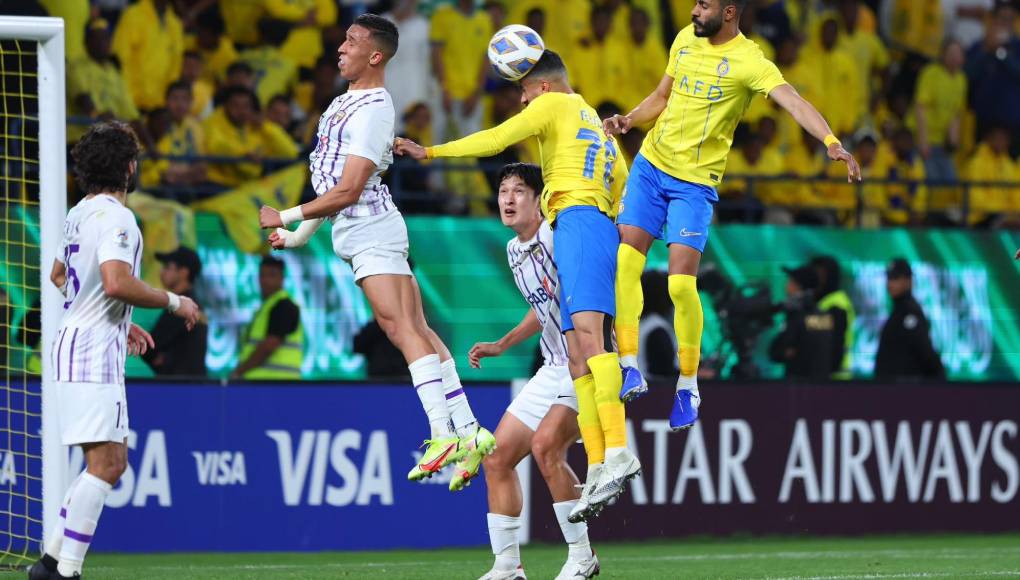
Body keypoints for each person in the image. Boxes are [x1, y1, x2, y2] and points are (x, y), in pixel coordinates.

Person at [395, 50, 641, 524]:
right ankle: (600, 461)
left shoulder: (555, 104)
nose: (524, 101)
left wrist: (432, 152)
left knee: (588, 343)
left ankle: (615, 452)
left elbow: (497, 138)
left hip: (579, 219)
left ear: (543, 87)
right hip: (590, 223)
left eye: (525, 92)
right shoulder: (594, 125)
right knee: (577, 354)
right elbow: (623, 185)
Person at [257, 15, 495, 488]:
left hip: (371, 230)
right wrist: (299, 237)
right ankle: (470, 431)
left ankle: (440, 433)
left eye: (352, 41)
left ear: (376, 55)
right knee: (418, 329)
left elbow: (346, 192)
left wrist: (283, 217)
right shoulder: (348, 101)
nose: (340, 47)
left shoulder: (373, 109)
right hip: (369, 227)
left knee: (400, 328)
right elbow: (331, 185)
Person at [602, 0, 861, 430]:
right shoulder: (685, 39)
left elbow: (792, 101)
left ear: (728, 12)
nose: (693, 10)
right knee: (627, 260)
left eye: (703, 4)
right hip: (650, 168)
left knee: (682, 285)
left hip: (694, 184)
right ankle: (629, 363)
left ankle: (688, 385)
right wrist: (630, 120)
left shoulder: (749, 61)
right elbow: (663, 96)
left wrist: (830, 141)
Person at [28, 122, 200, 580]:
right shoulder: (118, 217)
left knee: (104, 463)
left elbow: (60, 276)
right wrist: (174, 300)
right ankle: (65, 572)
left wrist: (117, 323)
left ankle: (51, 566)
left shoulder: (79, 212)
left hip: (77, 341)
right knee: (108, 463)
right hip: (90, 350)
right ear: (128, 166)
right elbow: (116, 282)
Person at [469, 164, 598, 580]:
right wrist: (502, 343)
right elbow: (542, 307)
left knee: (546, 448)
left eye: (519, 191)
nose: (508, 198)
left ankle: (582, 557)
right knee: (497, 458)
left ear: (540, 199)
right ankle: (508, 567)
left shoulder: (557, 237)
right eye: (503, 190)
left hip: (589, 365)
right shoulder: (513, 250)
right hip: (552, 366)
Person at [229, 256, 302, 380]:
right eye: (262, 275)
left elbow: (269, 346)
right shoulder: (264, 308)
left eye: (271, 275)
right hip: (264, 384)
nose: (265, 280)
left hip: (276, 385)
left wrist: (239, 371)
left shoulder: (284, 306)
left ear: (282, 278)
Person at [874, 259, 945, 380]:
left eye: (895, 278)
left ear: (909, 281)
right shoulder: (899, 310)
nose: (889, 284)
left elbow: (924, 351)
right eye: (889, 278)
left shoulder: (910, 312)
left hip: (906, 391)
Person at [142, 247, 208, 377]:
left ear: (183, 272)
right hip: (192, 387)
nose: (161, 272)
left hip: (176, 389)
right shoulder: (197, 305)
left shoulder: (181, 308)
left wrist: (159, 359)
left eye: (167, 267)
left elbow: (148, 346)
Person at [768, 265, 837, 380]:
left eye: (790, 282)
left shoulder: (798, 316)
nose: (786, 287)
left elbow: (777, 351)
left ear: (798, 287)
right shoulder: (824, 316)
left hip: (798, 386)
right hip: (822, 383)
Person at [810, 255, 854, 379]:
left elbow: (836, 345)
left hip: (834, 379)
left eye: (820, 275)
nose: (815, 280)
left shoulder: (837, 304)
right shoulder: (821, 302)